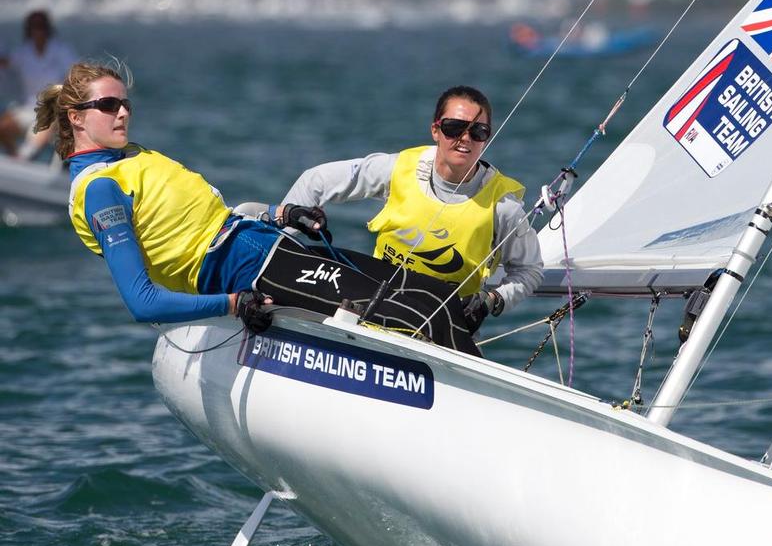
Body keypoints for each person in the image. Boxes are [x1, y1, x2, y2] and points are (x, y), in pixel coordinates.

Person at [38, 60, 480, 354]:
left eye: (125, 104)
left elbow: (209, 220)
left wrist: (278, 214)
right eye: (109, 106)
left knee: (439, 295)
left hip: (265, 245)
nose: (123, 114)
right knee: (416, 313)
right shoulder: (99, 190)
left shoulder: (132, 156)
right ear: (76, 117)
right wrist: (233, 303)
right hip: (244, 272)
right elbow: (143, 302)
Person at [283, 85, 543, 334]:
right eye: (454, 128)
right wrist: (278, 250)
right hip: (373, 316)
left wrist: (492, 300)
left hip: (442, 331)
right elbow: (315, 181)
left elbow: (528, 270)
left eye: (478, 132)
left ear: (487, 138)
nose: (465, 139)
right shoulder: (398, 169)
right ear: (435, 130)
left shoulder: (503, 206)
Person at [0, 11, 76, 159]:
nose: (38, 30)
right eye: (34, 26)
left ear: (47, 28)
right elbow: (5, 63)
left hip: (53, 107)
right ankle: (15, 160)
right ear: (28, 30)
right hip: (27, 106)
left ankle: (22, 160)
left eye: (41, 26)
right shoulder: (23, 52)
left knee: (46, 124)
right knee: (3, 126)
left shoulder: (61, 51)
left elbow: (76, 74)